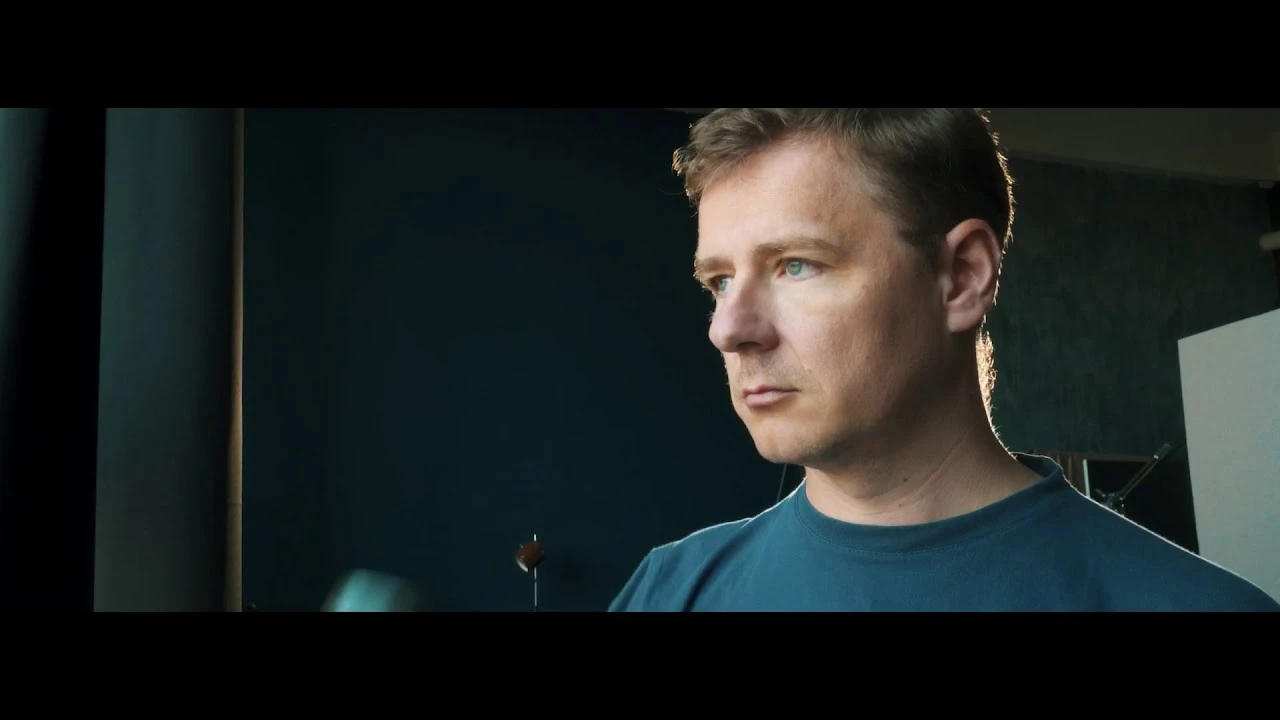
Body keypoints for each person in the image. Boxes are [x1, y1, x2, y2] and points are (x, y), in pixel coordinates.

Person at [609, 108, 1280, 612]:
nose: (728, 329)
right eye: (720, 281)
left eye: (795, 265)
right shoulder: (669, 591)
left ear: (962, 278)